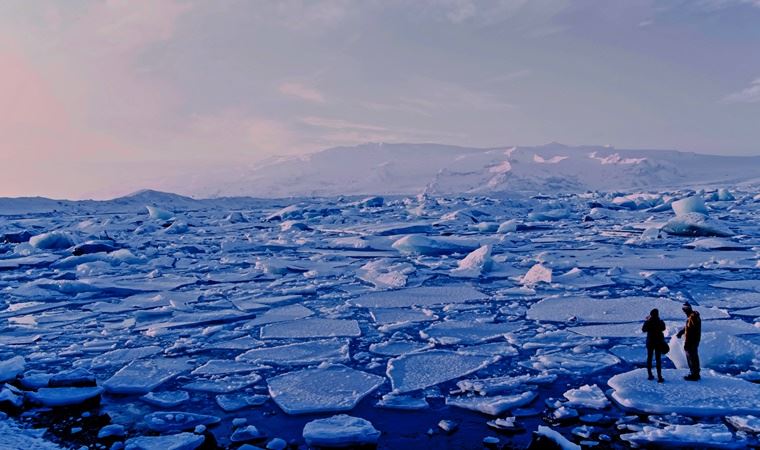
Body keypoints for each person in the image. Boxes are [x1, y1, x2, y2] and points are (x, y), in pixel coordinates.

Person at [676, 302, 701, 381]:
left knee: (692, 357)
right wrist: (681, 332)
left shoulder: (693, 317)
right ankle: (694, 373)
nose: (684, 311)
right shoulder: (691, 317)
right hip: (692, 341)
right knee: (692, 356)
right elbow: (688, 327)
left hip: (691, 341)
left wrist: (690, 340)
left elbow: (693, 328)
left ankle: (694, 375)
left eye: (684, 309)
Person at [642, 308, 665, 383]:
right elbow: (663, 328)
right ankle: (659, 376)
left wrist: (647, 321)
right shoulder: (660, 321)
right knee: (658, 359)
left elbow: (643, 330)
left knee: (649, 358)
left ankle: (650, 375)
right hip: (658, 342)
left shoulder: (649, 322)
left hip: (650, 342)